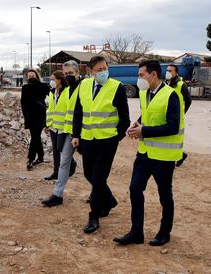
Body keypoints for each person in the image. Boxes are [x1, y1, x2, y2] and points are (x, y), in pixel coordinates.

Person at [114, 60, 183, 246]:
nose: (139, 79)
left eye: (141, 75)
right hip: (144, 154)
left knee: (164, 196)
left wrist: (144, 131)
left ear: (153, 75)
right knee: (135, 189)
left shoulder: (171, 95)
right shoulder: (145, 93)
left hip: (163, 157)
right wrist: (137, 123)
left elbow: (173, 126)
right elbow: (147, 113)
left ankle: (164, 232)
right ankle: (136, 232)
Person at [72, 55, 130, 233]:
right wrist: (76, 135)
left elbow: (124, 119)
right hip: (87, 140)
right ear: (91, 71)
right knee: (90, 174)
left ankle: (94, 216)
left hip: (107, 142)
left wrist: (115, 139)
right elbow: (78, 112)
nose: (103, 72)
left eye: (105, 68)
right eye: (99, 70)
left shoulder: (116, 87)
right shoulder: (84, 85)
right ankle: (110, 200)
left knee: (98, 178)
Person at [41, 70, 75, 207]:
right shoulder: (52, 92)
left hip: (69, 131)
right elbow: (50, 110)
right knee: (60, 155)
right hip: (55, 129)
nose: (51, 81)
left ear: (59, 80)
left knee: (64, 162)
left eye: (53, 79)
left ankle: (57, 194)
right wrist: (48, 124)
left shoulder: (69, 92)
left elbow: (71, 112)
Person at [21, 70, 49, 170]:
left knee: (35, 137)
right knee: (35, 137)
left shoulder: (43, 86)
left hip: (40, 116)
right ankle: (40, 157)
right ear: (27, 77)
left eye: (33, 75)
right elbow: (23, 103)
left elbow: (50, 97)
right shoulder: (25, 88)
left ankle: (30, 159)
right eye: (29, 76)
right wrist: (25, 118)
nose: (31, 77)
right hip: (30, 117)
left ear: (36, 76)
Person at [165, 64, 191, 166]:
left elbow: (188, 101)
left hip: (177, 117)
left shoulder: (181, 85)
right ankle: (181, 155)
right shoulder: (166, 83)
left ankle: (179, 156)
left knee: (175, 139)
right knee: (168, 138)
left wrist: (182, 113)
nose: (168, 72)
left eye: (170, 71)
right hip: (166, 115)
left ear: (176, 73)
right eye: (167, 70)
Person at [63, 60, 83, 178]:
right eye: (65, 74)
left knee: (90, 168)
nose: (68, 76)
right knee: (64, 161)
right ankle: (58, 194)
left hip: (84, 132)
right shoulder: (67, 88)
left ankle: (95, 194)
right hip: (69, 130)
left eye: (70, 73)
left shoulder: (84, 86)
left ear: (77, 72)